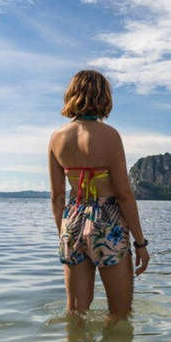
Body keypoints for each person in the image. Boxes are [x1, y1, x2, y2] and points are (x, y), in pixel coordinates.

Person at [48, 69, 150, 321]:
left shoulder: (57, 138)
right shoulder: (110, 136)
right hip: (108, 221)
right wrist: (140, 243)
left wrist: (64, 233)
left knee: (76, 312)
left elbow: (56, 196)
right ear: (104, 97)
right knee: (120, 312)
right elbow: (124, 194)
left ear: (71, 95)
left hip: (71, 220)